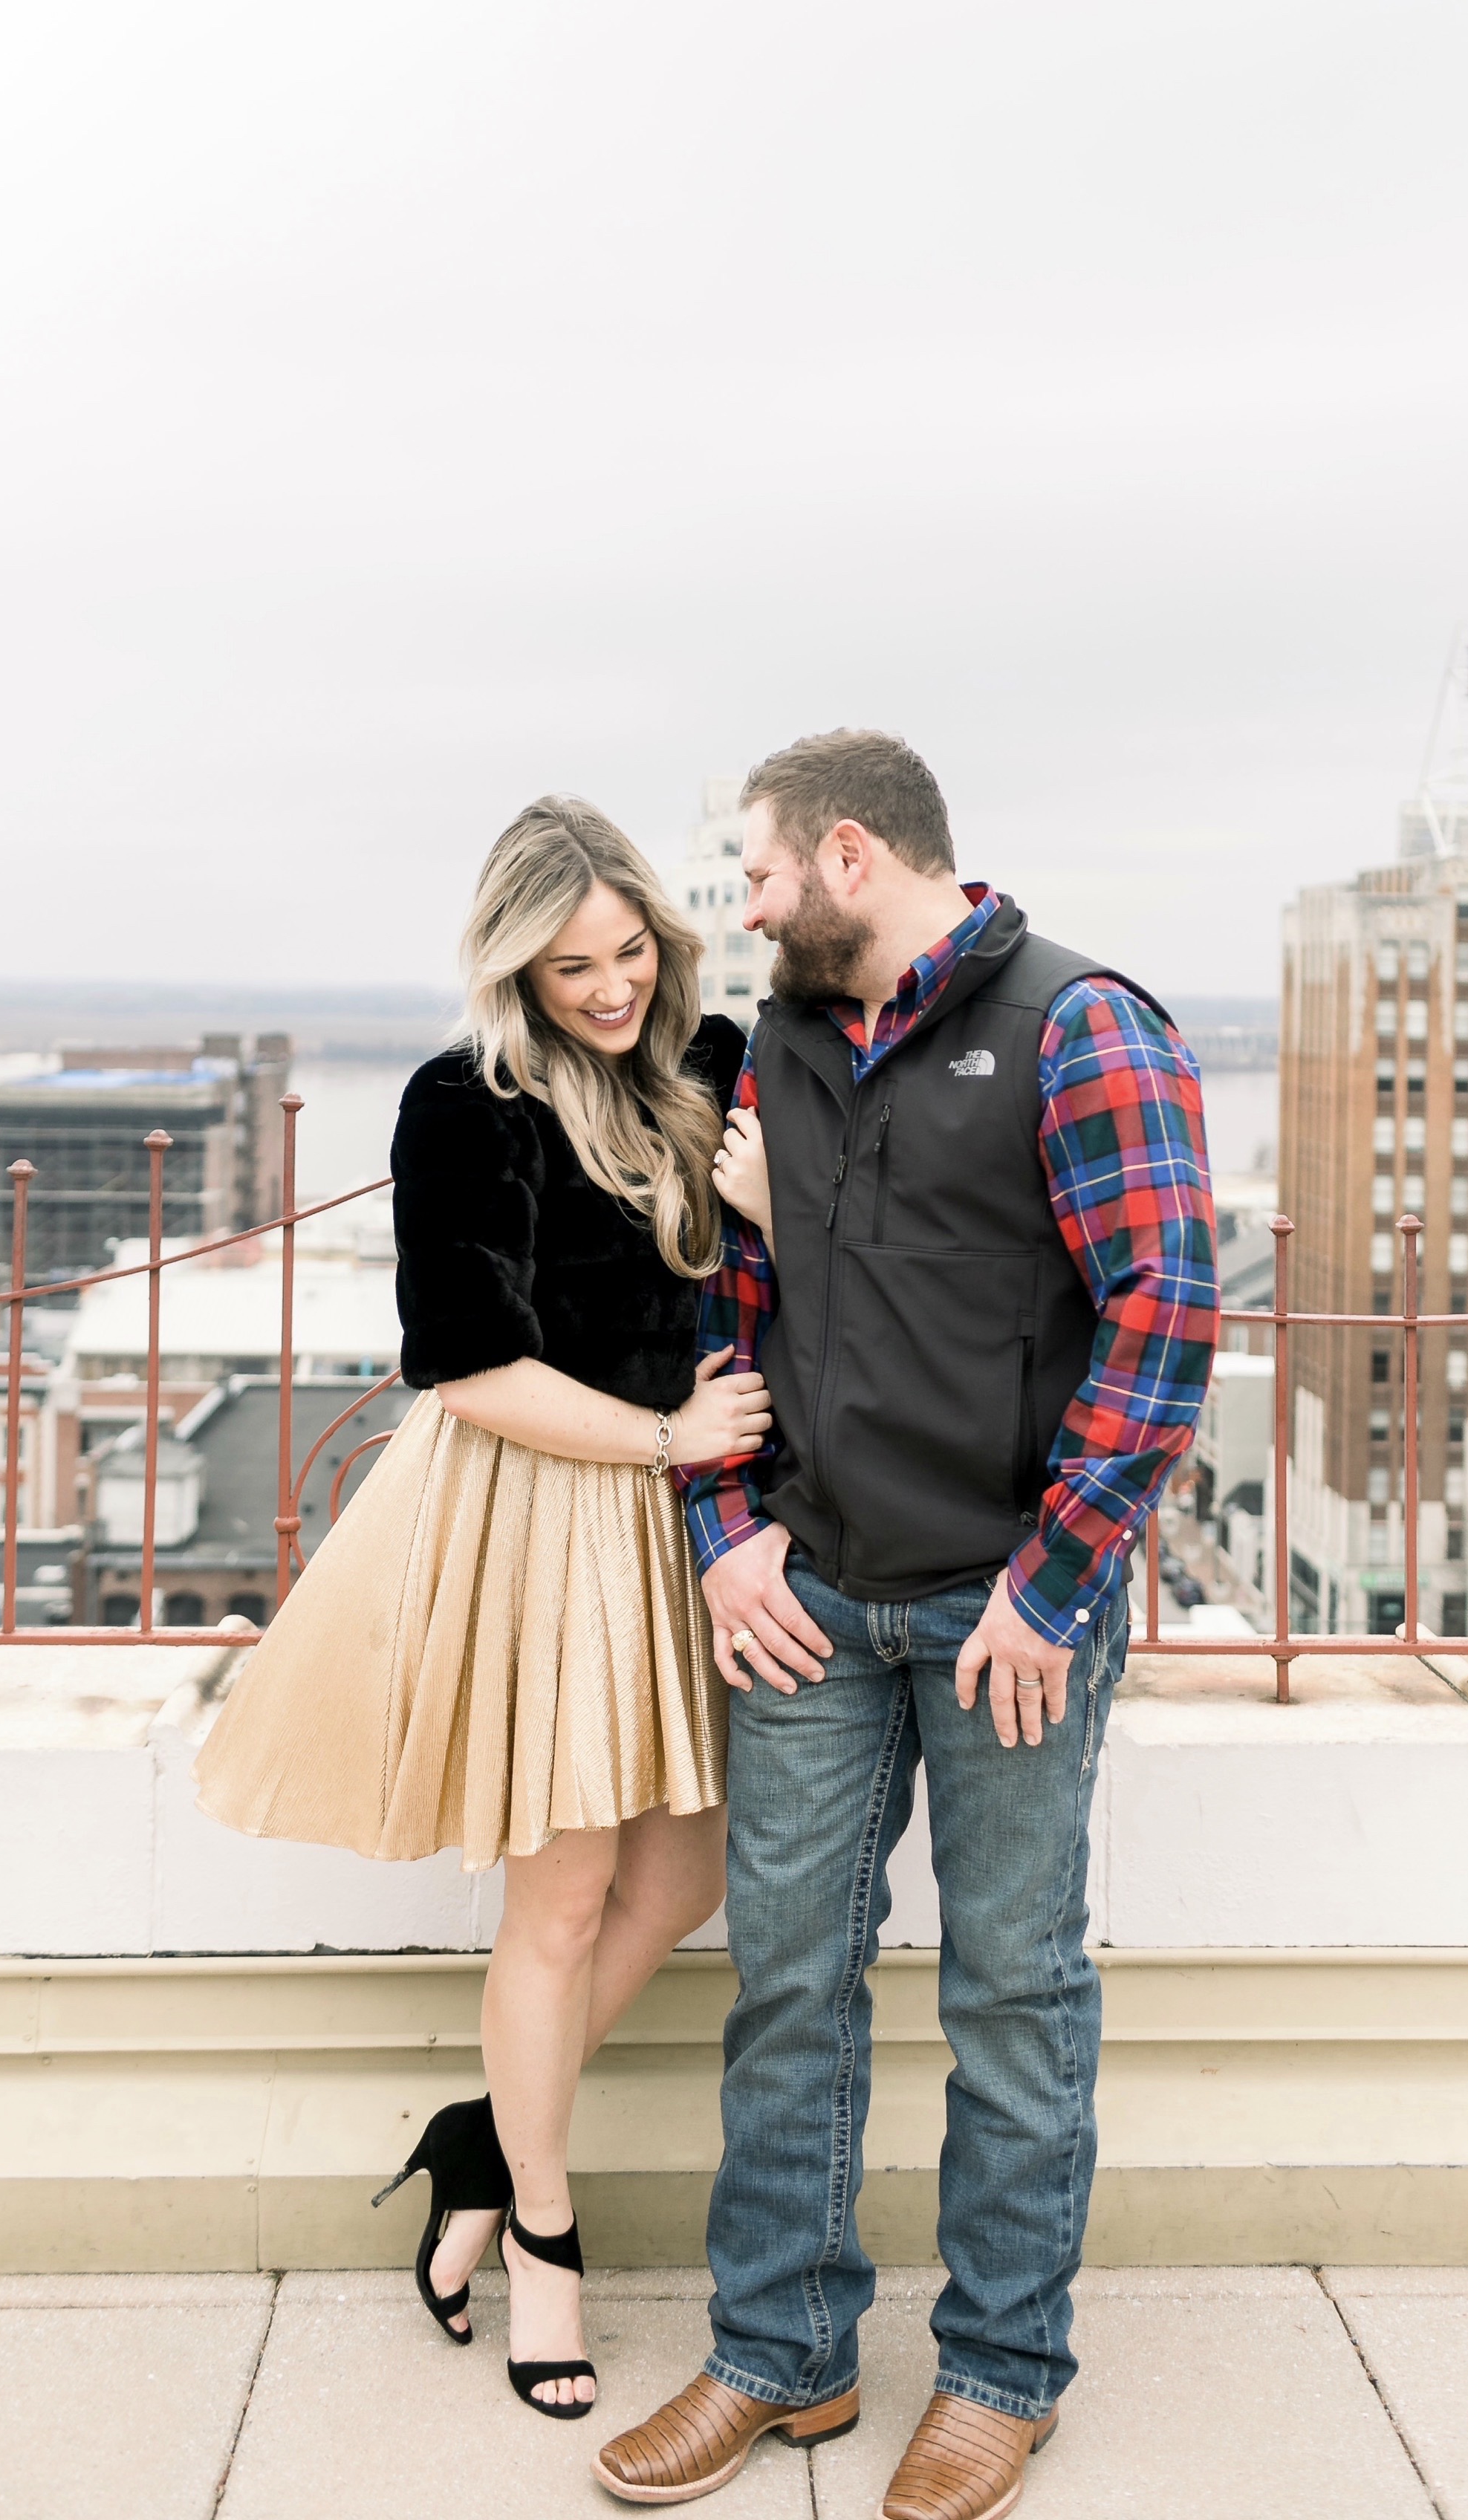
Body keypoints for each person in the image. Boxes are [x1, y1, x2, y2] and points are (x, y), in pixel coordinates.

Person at [597, 733, 1216, 2520]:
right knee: (787, 1981)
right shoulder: (777, 1048)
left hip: (1003, 1607)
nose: (745, 906)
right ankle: (777, 2355)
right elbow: (735, 1309)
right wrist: (725, 1537)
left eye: (757, 874)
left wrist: (1051, 1580)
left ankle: (1002, 2374)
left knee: (1010, 1991)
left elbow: (1162, 1322)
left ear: (848, 854)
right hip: (809, 1596)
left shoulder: (1079, 1023)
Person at [195, 796, 767, 2422]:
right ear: (514, 958)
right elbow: (468, 1358)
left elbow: (767, 1256)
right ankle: (541, 2226)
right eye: (570, 960)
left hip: (687, 1510)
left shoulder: (709, 1057)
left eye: (628, 947)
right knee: (566, 1892)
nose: (606, 984)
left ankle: (469, 2136)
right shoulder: (468, 1096)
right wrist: (662, 1433)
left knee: (686, 1869)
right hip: (546, 1501)